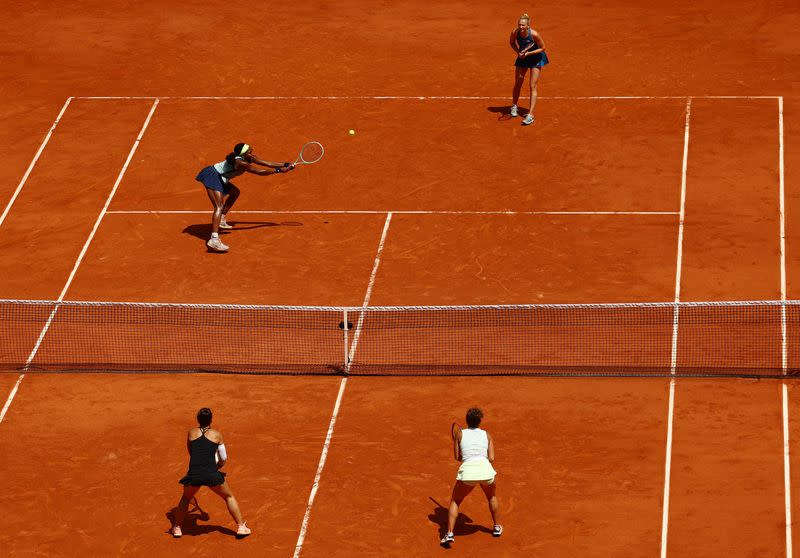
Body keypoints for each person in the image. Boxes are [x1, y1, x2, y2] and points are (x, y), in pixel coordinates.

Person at [195, 143, 295, 252]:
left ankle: (222, 218)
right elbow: (260, 172)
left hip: (220, 177)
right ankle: (213, 239)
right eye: (250, 152)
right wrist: (279, 170)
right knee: (218, 205)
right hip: (212, 175)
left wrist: (285, 164)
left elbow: (266, 163)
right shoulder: (240, 162)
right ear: (243, 155)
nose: (252, 154)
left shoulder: (247, 158)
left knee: (235, 192)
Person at [171, 408, 251, 538]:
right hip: (211, 474)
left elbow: (191, 452)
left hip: (194, 474)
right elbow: (223, 458)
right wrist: (217, 467)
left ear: (198, 419)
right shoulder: (217, 435)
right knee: (229, 497)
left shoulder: (191, 433)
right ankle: (241, 527)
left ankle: (177, 528)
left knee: (185, 498)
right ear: (211, 420)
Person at [440, 408, 502, 547]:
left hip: (468, 474)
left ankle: (449, 533)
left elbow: (458, 457)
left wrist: (464, 451)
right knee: (491, 497)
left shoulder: (459, 434)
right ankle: (497, 527)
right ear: (479, 421)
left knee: (455, 500)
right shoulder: (487, 435)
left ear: (467, 420)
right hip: (486, 472)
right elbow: (491, 458)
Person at [509, 13, 549, 125]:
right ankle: (514, 106)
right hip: (523, 57)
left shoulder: (534, 34)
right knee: (518, 82)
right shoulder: (515, 32)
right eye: (519, 25)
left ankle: (530, 115)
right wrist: (518, 52)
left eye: (523, 25)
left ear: (528, 26)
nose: (520, 27)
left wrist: (528, 53)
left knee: (533, 85)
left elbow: (543, 48)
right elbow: (511, 43)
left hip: (536, 58)